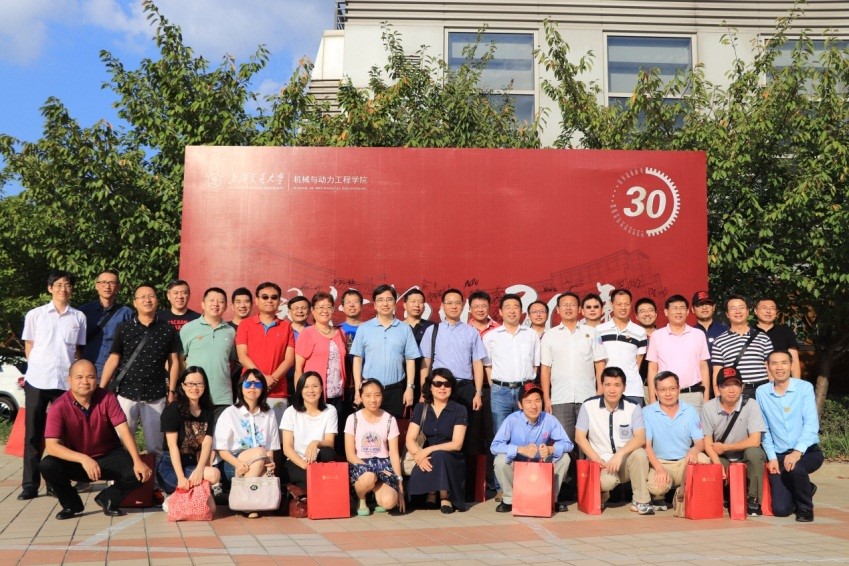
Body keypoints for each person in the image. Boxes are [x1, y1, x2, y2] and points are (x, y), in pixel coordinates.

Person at [39, 360, 152, 520]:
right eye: (79, 377)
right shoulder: (58, 407)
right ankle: (71, 504)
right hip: (77, 461)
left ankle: (108, 498)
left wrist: (137, 460)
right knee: (47, 465)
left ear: (96, 379)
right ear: (69, 380)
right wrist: (83, 459)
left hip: (108, 456)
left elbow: (123, 429)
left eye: (90, 377)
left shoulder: (107, 398)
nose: (85, 382)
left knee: (140, 472)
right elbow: (52, 446)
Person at [100, 283, 180, 499]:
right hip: (126, 393)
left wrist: (172, 391)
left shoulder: (167, 329)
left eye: (151, 296)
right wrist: (101, 389)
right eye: (142, 297)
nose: (147, 300)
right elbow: (114, 358)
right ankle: (117, 485)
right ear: (135, 302)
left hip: (156, 394)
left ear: (157, 300)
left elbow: (174, 362)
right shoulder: (124, 328)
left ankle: (155, 486)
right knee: (122, 442)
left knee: (156, 445)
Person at [19, 270, 87, 501]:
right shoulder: (35, 315)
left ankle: (56, 483)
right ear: (50, 288)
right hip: (38, 380)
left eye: (67, 285)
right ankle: (30, 484)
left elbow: (77, 351)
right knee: (33, 434)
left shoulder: (78, 317)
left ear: (71, 289)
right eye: (58, 285)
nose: (62, 289)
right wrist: (34, 369)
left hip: (65, 383)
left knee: (61, 435)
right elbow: (29, 346)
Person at [574, 367, 654, 515]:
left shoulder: (633, 407)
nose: (612, 390)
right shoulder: (588, 406)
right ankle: (602, 494)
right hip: (601, 463)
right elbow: (579, 437)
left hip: (624, 461)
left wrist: (620, 454)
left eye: (617, 385)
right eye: (608, 385)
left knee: (640, 454)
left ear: (624, 387)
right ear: (602, 385)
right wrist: (596, 458)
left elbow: (640, 437)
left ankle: (641, 500)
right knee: (606, 482)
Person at [756, 350, 823, 521]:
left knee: (797, 468)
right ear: (767, 367)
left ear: (792, 365)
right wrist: (772, 457)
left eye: (784, 363)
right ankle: (805, 487)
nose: (779, 367)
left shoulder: (804, 388)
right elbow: (765, 429)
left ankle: (805, 508)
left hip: (807, 452)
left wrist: (797, 452)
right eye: (774, 363)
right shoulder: (762, 392)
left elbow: (811, 425)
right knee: (780, 509)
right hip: (779, 455)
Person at [490, 382, 572, 514]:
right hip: (518, 468)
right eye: (528, 402)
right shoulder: (512, 420)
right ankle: (509, 500)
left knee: (564, 457)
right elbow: (495, 446)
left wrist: (551, 449)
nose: (534, 406)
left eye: (537, 401)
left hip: (542, 466)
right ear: (520, 405)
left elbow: (568, 444)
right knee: (500, 460)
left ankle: (551, 499)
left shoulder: (549, 419)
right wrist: (519, 449)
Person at [540, 292, 606, 448]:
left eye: (572, 304)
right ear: (558, 309)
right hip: (560, 398)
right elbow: (545, 369)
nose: (568, 308)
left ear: (579, 309)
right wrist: (547, 398)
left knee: (588, 442)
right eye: (565, 305)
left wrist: (599, 393)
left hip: (588, 397)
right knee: (564, 443)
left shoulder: (592, 332)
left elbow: (600, 364)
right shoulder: (549, 335)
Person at [701, 366, 767, 516]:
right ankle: (724, 496)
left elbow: (755, 441)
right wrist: (718, 464)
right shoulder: (708, 408)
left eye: (736, 384)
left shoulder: (751, 404)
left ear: (742, 387)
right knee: (711, 462)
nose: (731, 390)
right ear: (718, 388)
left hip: (743, 452)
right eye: (726, 385)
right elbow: (708, 442)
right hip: (722, 456)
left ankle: (753, 500)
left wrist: (726, 447)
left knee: (755, 454)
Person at [213, 369, 279, 518]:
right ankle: (247, 503)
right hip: (232, 463)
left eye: (257, 384)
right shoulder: (230, 413)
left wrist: (271, 463)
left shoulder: (269, 414)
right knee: (259, 452)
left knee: (262, 461)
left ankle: (248, 503)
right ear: (241, 387)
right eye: (248, 384)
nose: (252, 387)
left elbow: (270, 448)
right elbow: (221, 449)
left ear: (263, 388)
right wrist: (238, 464)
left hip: (259, 461)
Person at [643, 370, 710, 509]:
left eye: (672, 388)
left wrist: (694, 450)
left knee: (704, 460)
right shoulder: (647, 412)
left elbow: (700, 441)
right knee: (657, 488)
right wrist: (659, 469)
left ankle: (684, 493)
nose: (668, 394)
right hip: (661, 463)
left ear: (679, 389)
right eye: (663, 390)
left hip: (684, 462)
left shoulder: (690, 410)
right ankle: (659, 497)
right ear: (655, 392)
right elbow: (647, 446)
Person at [350, 284, 420, 418]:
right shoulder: (364, 328)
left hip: (395, 390)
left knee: (394, 427)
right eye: (380, 300)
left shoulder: (404, 329)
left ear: (395, 303)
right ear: (375, 305)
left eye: (389, 299)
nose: (385, 303)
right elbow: (357, 359)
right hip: (369, 391)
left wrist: (410, 388)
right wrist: (358, 389)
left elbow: (410, 360)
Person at [406, 368, 468, 513]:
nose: (442, 387)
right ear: (430, 387)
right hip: (425, 459)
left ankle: (444, 496)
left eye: (447, 384)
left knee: (440, 454)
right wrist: (419, 457)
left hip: (451, 458)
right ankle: (430, 492)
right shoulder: (421, 408)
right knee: (413, 500)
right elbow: (410, 439)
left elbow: (457, 444)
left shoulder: (459, 410)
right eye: (437, 384)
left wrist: (428, 449)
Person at [157, 366, 221, 508]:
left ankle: (181, 497)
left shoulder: (208, 411)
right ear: (183, 386)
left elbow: (207, 444)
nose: (195, 388)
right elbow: (172, 446)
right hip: (170, 465)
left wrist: (199, 469)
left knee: (211, 507)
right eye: (190, 383)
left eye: (199, 383)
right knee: (212, 476)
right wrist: (181, 477)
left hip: (192, 464)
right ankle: (174, 495)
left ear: (205, 386)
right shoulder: (173, 410)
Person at [295, 292, 349, 454]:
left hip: (338, 395)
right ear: (312, 310)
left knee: (336, 436)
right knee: (316, 435)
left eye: (328, 307)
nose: (325, 310)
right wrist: (300, 396)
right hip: (315, 395)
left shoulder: (340, 333)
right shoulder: (307, 333)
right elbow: (299, 369)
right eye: (320, 307)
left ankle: (335, 466)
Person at [235, 282, 295, 423]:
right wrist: (261, 379)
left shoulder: (286, 327)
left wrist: (272, 379)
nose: (269, 300)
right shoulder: (245, 324)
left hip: (277, 391)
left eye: (274, 297)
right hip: (249, 388)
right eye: (265, 297)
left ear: (279, 301)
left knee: (275, 434)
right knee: (245, 432)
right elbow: (242, 356)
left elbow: (289, 360)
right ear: (257, 300)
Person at [345, 379, 404, 515]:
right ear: (360, 397)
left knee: (390, 502)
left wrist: (400, 486)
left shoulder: (390, 419)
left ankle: (377, 497)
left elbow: (394, 454)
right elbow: (350, 455)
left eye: (377, 395)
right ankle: (361, 498)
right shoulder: (353, 419)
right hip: (361, 464)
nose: (373, 400)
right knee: (369, 477)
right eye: (368, 395)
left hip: (383, 465)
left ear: (382, 396)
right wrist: (371, 469)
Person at [181, 287, 236, 420]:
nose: (215, 304)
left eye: (220, 301)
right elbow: (179, 359)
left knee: (222, 433)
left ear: (225, 306)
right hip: (195, 396)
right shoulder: (188, 328)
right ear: (203, 304)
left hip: (222, 397)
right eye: (211, 300)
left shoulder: (230, 331)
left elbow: (232, 361)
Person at [645, 294, 710, 408]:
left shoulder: (698, 334)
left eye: (682, 308)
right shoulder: (657, 335)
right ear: (666, 312)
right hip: (665, 396)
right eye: (674, 308)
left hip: (693, 395)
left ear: (688, 312)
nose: (678, 311)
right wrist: (652, 398)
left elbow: (703, 367)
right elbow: (652, 368)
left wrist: (706, 398)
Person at [281, 371, 338, 489]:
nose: (310, 390)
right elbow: (287, 448)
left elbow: (330, 442)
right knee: (313, 480)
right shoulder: (290, 412)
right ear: (300, 390)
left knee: (328, 452)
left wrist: (315, 443)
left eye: (315, 386)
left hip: (320, 460)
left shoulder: (330, 410)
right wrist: (305, 465)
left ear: (321, 388)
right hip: (298, 461)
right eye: (306, 387)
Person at [711, 295, 773, 399]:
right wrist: (718, 398)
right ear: (727, 314)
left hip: (763, 391)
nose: (738, 311)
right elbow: (717, 372)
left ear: (748, 311)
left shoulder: (763, 338)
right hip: (735, 392)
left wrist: (773, 392)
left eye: (741, 307)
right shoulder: (719, 341)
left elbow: (770, 368)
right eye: (733, 308)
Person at [596, 289, 648, 405]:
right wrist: (601, 389)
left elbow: (637, 364)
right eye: (619, 304)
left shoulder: (640, 332)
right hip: (608, 390)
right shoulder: (600, 330)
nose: (623, 308)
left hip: (633, 389)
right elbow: (599, 363)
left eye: (626, 304)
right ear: (611, 304)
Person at [78, 269, 133, 377]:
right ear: (97, 286)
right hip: (87, 371)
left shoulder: (126, 313)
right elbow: (76, 345)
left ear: (118, 287)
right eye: (103, 282)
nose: (107, 286)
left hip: (115, 372)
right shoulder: (84, 311)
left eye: (111, 283)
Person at [754, 297, 801, 377]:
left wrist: (797, 382)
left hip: (781, 380)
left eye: (772, 308)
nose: (768, 311)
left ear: (776, 312)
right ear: (756, 311)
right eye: (764, 308)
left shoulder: (786, 331)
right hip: (756, 379)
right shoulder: (749, 331)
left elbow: (794, 361)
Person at [403, 288, 434, 402]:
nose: (417, 305)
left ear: (424, 307)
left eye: (420, 302)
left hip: (426, 377)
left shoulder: (432, 327)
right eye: (413, 301)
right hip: (402, 379)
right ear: (404, 305)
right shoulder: (397, 327)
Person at [285, 295, 311, 403]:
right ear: (289, 311)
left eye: (303, 308)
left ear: (309, 311)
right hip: (285, 380)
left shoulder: (314, 331)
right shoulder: (283, 331)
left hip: (309, 381)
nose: (300, 311)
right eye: (296, 308)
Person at [691, 290, 728, 356]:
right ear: (693, 309)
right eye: (700, 304)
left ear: (713, 307)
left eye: (708, 304)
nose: (704, 307)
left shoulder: (726, 330)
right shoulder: (690, 334)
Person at [634, 297, 658, 392]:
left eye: (650, 310)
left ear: (656, 314)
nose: (647, 314)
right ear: (636, 316)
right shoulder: (631, 337)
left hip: (663, 387)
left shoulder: (664, 336)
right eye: (642, 311)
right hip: (639, 387)